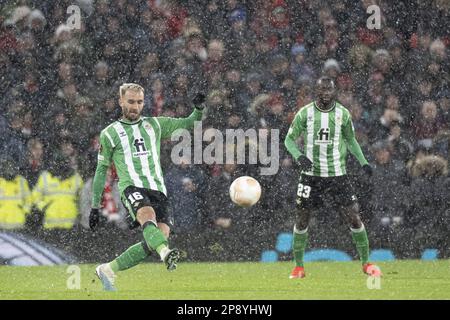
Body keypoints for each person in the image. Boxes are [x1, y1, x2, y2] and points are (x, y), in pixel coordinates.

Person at [89, 83, 205, 291]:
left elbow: (189, 124)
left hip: (157, 190)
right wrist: (95, 205)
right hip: (131, 187)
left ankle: (107, 269)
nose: (135, 106)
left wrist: (199, 109)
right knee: (147, 215)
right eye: (131, 102)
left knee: (157, 239)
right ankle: (165, 253)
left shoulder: (155, 125)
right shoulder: (110, 133)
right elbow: (101, 170)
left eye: (139, 102)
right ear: (121, 101)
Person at [284, 76, 380, 279]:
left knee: (354, 217)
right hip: (310, 175)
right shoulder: (305, 113)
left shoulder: (343, 114)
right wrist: (299, 157)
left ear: (334, 92)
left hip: (337, 174)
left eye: (329, 90)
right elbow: (288, 140)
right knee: (302, 220)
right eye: (322, 90)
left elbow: (351, 140)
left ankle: (366, 263)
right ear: (316, 91)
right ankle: (298, 267)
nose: (325, 93)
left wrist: (364, 162)